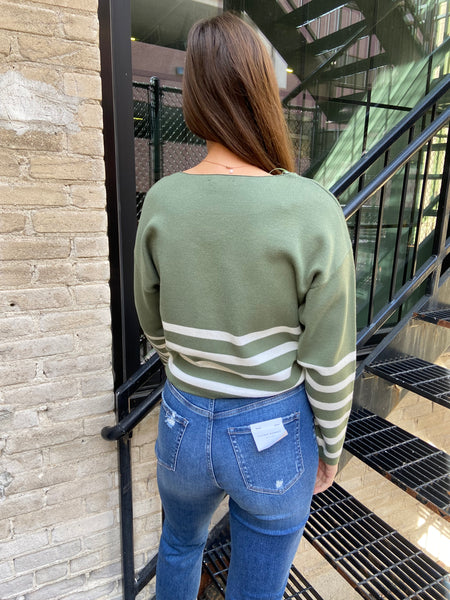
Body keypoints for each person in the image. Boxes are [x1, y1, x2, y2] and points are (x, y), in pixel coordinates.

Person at [134, 12, 356, 600]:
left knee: (179, 547)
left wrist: (190, 367)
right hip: (272, 433)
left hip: (182, 420)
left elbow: (152, 321)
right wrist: (330, 447)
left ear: (194, 94)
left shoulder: (162, 201)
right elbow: (328, 357)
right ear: (263, 90)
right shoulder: (313, 209)